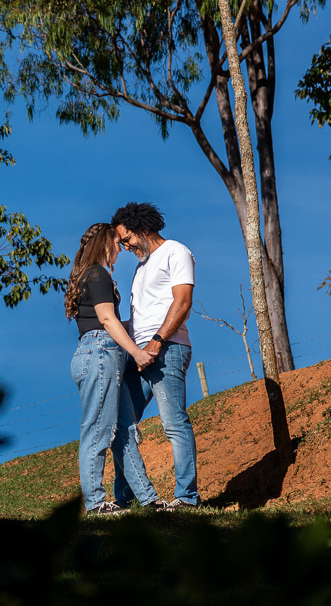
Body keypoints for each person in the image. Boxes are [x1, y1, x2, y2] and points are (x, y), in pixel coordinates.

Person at [66, 222, 164, 515]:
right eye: (117, 243)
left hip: (98, 351)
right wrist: (137, 352)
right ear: (104, 243)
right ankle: (96, 503)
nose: (120, 249)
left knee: (125, 429)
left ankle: (148, 500)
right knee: (98, 429)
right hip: (101, 353)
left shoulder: (88, 275)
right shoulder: (97, 274)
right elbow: (106, 321)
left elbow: (107, 322)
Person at [111, 202, 199, 509]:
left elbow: (183, 301)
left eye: (127, 239)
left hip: (167, 349)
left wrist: (157, 342)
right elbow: (140, 318)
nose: (125, 246)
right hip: (139, 355)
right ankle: (124, 497)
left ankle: (187, 498)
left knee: (174, 423)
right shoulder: (141, 266)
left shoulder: (176, 252)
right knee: (122, 423)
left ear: (141, 228)